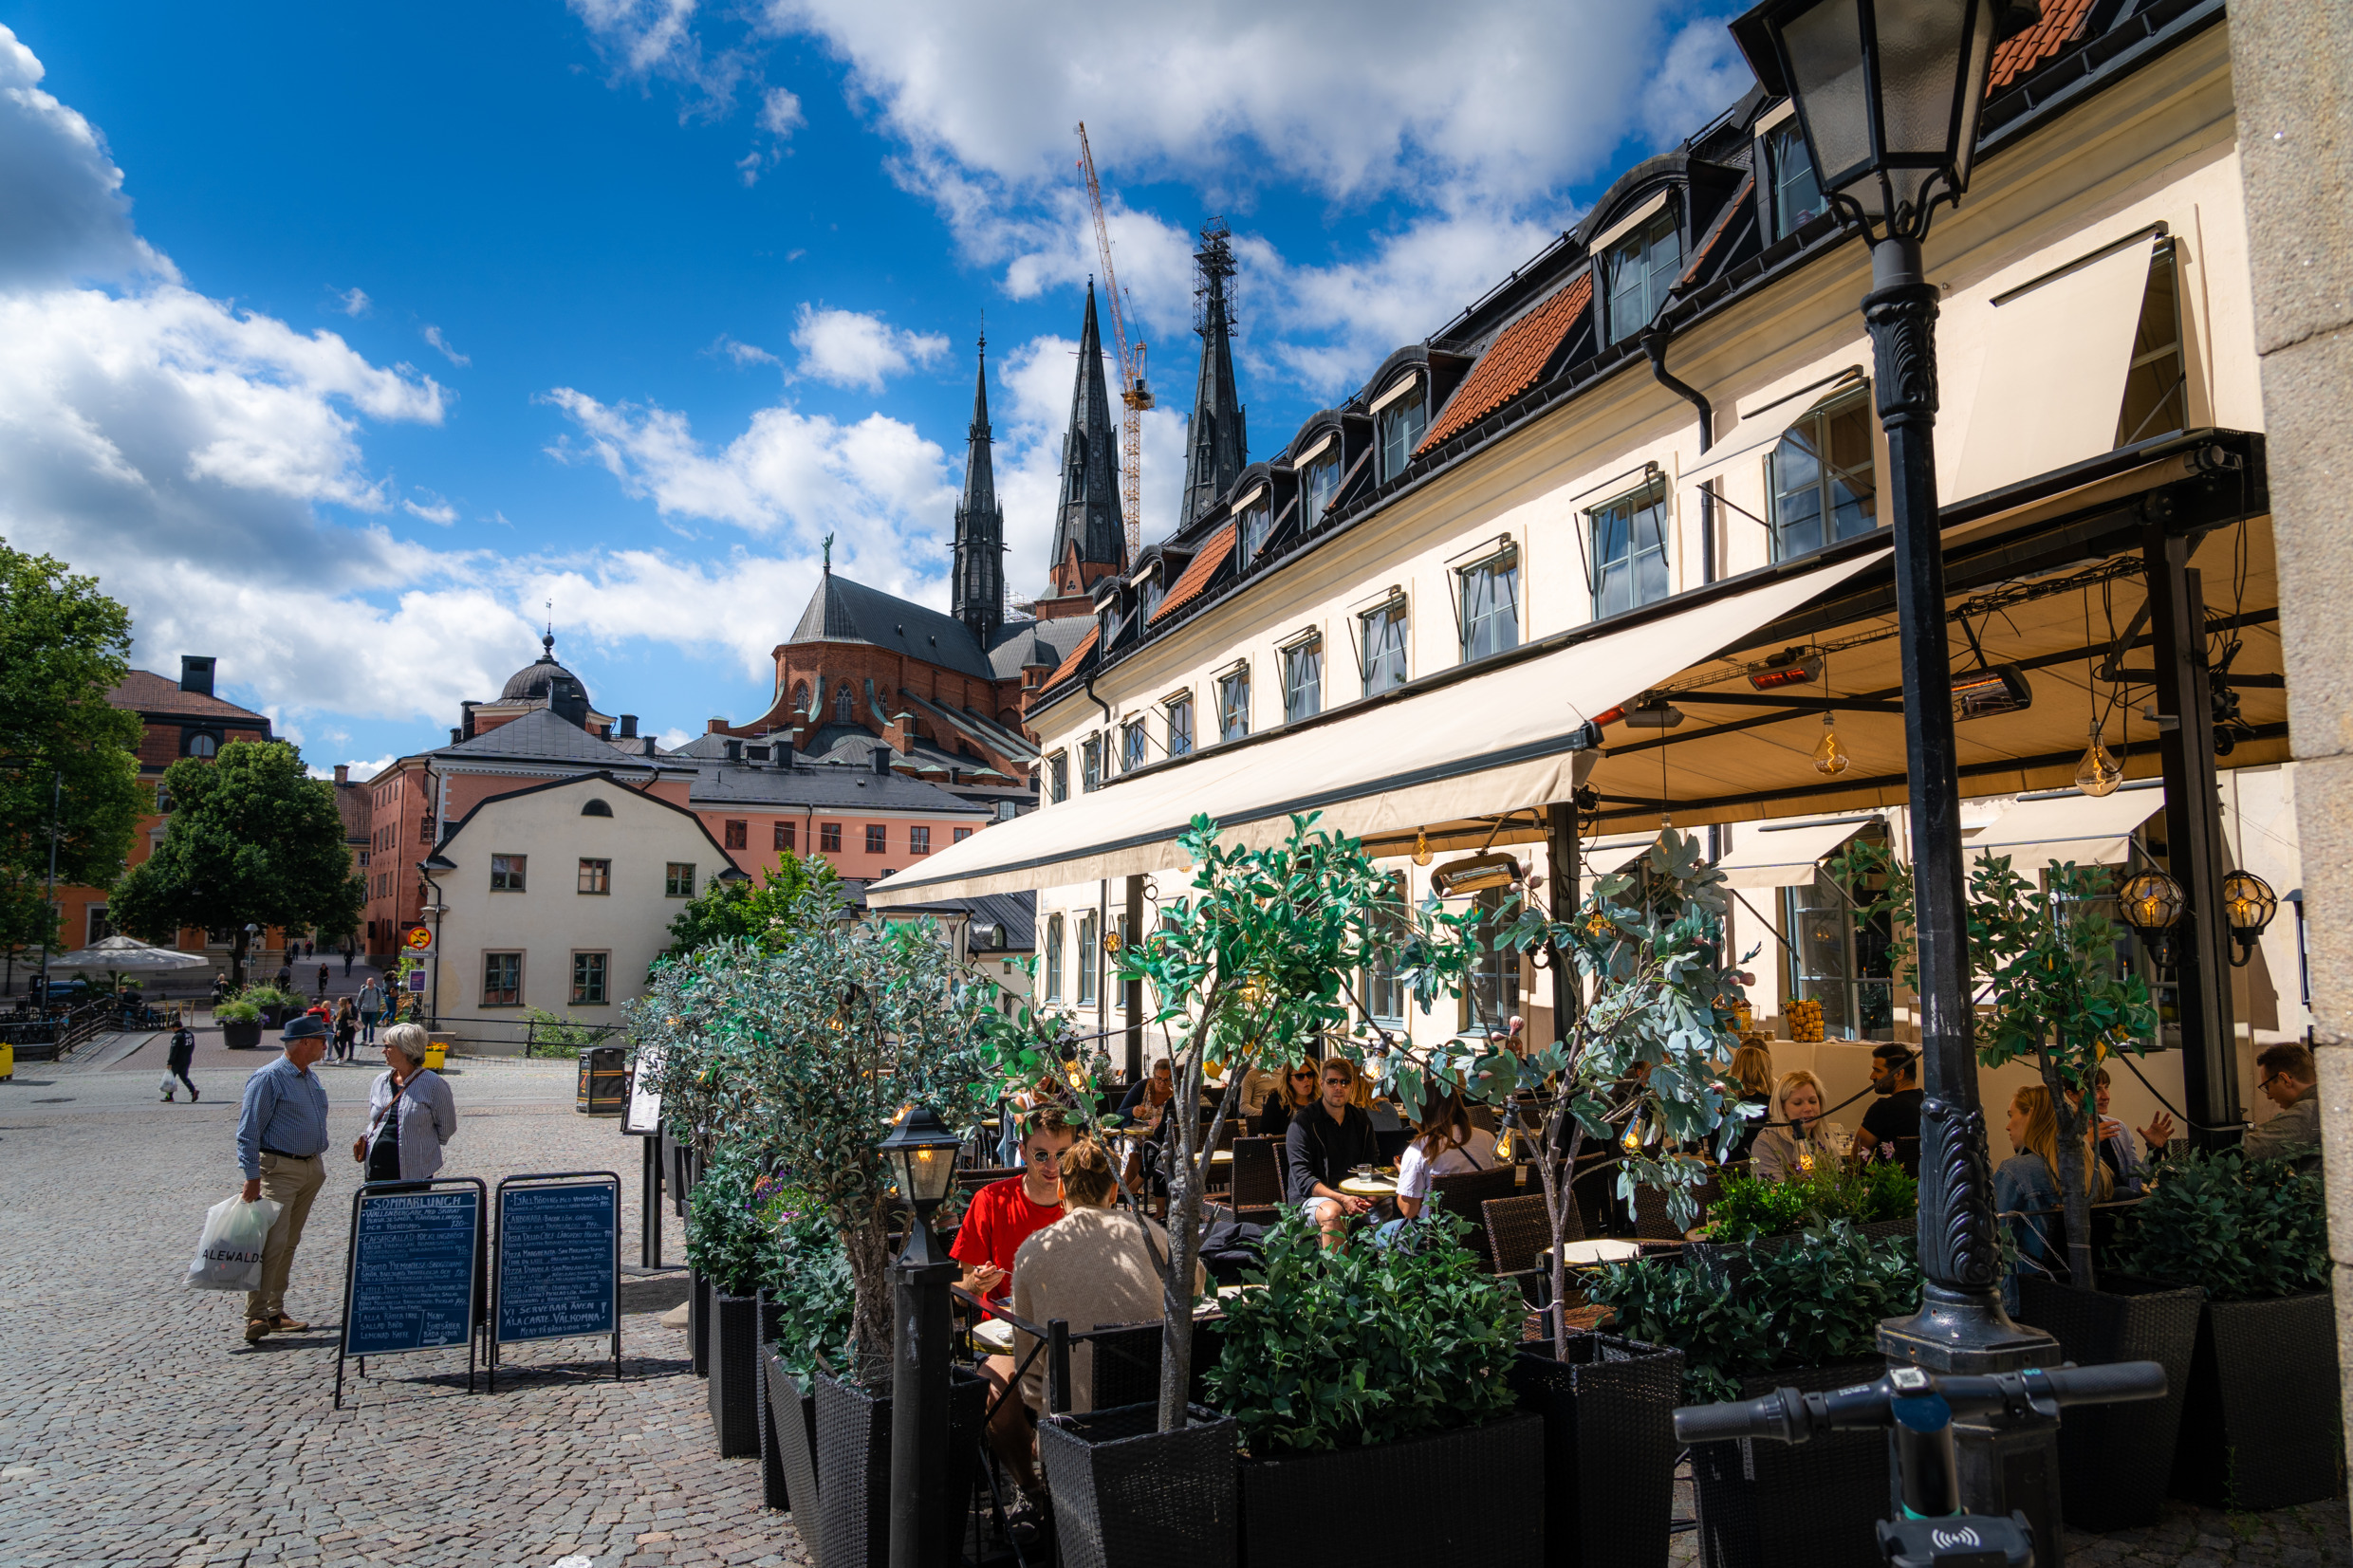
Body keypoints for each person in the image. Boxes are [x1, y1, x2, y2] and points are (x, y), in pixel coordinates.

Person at [1010, 1135, 1203, 1420]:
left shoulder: (1032, 1251)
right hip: (1155, 1418)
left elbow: (1028, 1371)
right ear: (1115, 1192)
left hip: (1074, 1430)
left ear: (1061, 1189)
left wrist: (1043, 1417)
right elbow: (1197, 1282)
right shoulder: (1149, 1235)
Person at [952, 1107, 1073, 1495]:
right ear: (1021, 1150)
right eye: (1042, 1154)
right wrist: (975, 1281)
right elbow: (961, 1291)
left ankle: (1074, 1489)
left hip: (1074, 1326)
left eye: (1063, 1155)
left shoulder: (1082, 1204)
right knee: (995, 1395)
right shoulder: (991, 1200)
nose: (1053, 1165)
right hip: (1009, 1331)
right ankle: (1031, 1489)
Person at [233, 1012, 333, 1344]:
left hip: (309, 1168)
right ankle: (256, 1316)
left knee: (289, 1242)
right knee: (271, 1245)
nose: (325, 1045)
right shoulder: (269, 1077)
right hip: (278, 1170)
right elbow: (248, 1133)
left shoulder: (309, 1076)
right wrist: (251, 1178)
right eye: (321, 1040)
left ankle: (275, 1310)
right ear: (304, 1043)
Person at [1993, 1084, 2112, 1291]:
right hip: (2083, 1293)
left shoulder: (2016, 1172)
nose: (2007, 1126)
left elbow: (1990, 1240)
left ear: (2031, 1115)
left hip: (2023, 1297)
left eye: (2011, 1115)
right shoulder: (2096, 1170)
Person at [1285, 1057, 1384, 1244]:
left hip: (1355, 1195)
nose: (1339, 1087)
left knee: (1390, 1204)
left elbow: (1372, 1165)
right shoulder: (1303, 1123)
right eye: (1332, 1082)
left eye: (1344, 1082)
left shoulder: (1361, 1120)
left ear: (1352, 1085)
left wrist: (1371, 1196)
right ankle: (1338, 1273)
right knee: (1333, 1212)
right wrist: (1342, 1199)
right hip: (1310, 1200)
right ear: (1322, 1084)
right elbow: (1304, 1181)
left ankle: (1384, 1268)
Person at [353, 1023, 458, 1185]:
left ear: (406, 1049)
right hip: (376, 1169)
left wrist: (416, 1142)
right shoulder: (380, 1081)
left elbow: (447, 1128)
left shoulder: (434, 1084)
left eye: (388, 1047)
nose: (383, 1051)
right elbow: (374, 1120)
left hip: (415, 1171)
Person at [1391, 1090, 1498, 1222]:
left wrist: (1404, 1174)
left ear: (1421, 1110)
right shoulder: (1488, 1138)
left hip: (1437, 1235)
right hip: (1484, 1230)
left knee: (1381, 1233)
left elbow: (1409, 1211)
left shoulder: (1419, 1149)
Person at [2066, 1067, 2174, 1195]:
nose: (2106, 1096)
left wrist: (2153, 1149)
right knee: (2123, 1193)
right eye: (2096, 1089)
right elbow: (2058, 1179)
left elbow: (2137, 1180)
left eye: (2106, 1087)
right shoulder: (2062, 1132)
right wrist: (2084, 1145)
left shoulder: (2118, 1128)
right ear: (2072, 1095)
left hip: (2124, 1204)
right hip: (2089, 1207)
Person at [1750, 1069, 1847, 1182]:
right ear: (1782, 1108)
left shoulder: (1826, 1139)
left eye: (1813, 1101)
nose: (1808, 1109)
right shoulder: (1766, 1143)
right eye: (1798, 1103)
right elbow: (1773, 1194)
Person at [2245, 1042, 2322, 1167]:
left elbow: (2246, 1149)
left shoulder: (2310, 1112)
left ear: (2284, 1079)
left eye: (2267, 1087)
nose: (2268, 1096)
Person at [1853, 1043, 1925, 1170]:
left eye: (1878, 1071)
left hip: (1888, 1186)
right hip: (1924, 1186)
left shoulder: (1883, 1108)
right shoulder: (1929, 1104)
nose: (1872, 1076)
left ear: (1899, 1074)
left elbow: (1857, 1158)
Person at [1722, 1040, 1774, 1162]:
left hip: (1728, 1171)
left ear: (1734, 1068)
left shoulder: (1723, 1104)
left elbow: (1715, 1151)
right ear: (1767, 1070)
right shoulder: (1774, 1105)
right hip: (1766, 1168)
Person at [164, 1019, 199, 1102]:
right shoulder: (189, 1034)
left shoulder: (178, 1036)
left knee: (170, 1078)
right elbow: (192, 1046)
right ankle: (193, 1091)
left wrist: (170, 1062)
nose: (172, 1030)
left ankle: (169, 1097)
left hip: (177, 1061)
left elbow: (173, 1050)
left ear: (176, 1027)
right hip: (187, 1059)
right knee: (184, 1077)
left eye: (172, 1029)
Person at [357, 976, 386, 1048]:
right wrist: (358, 1008)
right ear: (367, 982)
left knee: (372, 1026)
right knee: (364, 1026)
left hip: (373, 1011)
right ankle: (364, 1039)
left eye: (371, 982)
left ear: (373, 982)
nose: (370, 983)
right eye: (368, 982)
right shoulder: (364, 990)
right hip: (364, 1010)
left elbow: (379, 1000)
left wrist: (377, 1007)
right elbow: (359, 999)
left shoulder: (377, 990)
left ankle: (371, 1041)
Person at [333, 998, 359, 1063]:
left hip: (347, 1028)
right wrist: (335, 1018)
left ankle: (342, 1056)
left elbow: (343, 1021)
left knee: (341, 1042)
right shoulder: (342, 1010)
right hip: (343, 1029)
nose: (338, 1002)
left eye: (339, 1001)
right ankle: (340, 1056)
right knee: (342, 1042)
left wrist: (339, 1030)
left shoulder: (346, 1010)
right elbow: (340, 1020)